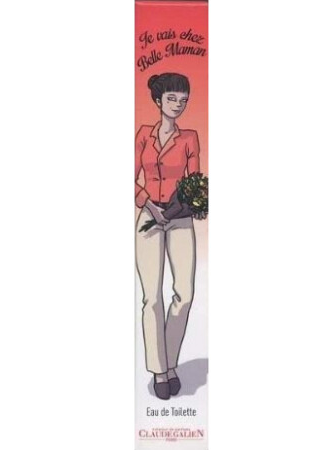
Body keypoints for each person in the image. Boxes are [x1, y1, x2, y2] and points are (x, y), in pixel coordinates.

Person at [135, 73, 202, 400]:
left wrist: (181, 207)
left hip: (180, 218)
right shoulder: (142, 136)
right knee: (152, 297)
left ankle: (170, 362)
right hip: (149, 217)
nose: (178, 105)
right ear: (158, 100)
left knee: (184, 293)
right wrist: (149, 204)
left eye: (183, 100)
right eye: (172, 98)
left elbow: (195, 182)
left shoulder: (190, 138)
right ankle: (160, 370)